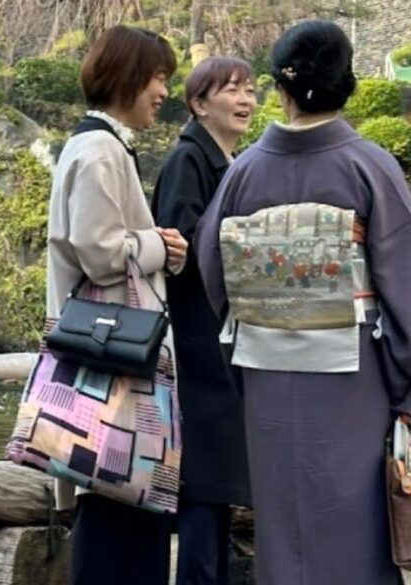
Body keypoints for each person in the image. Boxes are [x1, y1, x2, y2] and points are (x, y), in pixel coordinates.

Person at [194, 20, 411, 585]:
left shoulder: (243, 171)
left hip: (265, 366)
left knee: (284, 513)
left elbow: (214, 271)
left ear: (281, 90)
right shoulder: (368, 166)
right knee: (353, 517)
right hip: (351, 370)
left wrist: (264, 321)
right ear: (348, 84)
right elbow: (405, 275)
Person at [45, 25, 186, 585]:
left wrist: (157, 248)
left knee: (116, 496)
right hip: (115, 367)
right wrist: (162, 244)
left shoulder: (96, 145)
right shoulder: (101, 150)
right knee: (121, 499)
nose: (162, 92)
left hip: (102, 357)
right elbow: (102, 254)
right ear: (129, 77)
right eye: (158, 78)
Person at [151, 56, 257, 585]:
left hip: (219, 336)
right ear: (198, 104)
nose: (246, 100)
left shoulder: (227, 160)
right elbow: (178, 245)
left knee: (214, 482)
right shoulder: (188, 159)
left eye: (252, 90)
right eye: (232, 90)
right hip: (197, 340)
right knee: (204, 479)